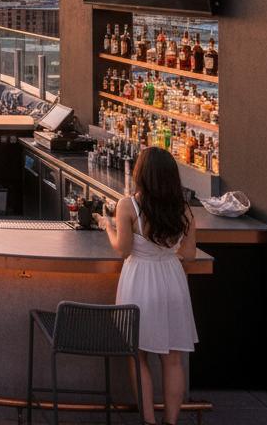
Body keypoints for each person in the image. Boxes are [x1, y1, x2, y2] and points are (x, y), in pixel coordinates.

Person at [96, 148, 198, 425]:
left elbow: (123, 249)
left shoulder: (128, 206)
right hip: (173, 281)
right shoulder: (185, 210)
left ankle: (149, 420)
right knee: (173, 358)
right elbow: (189, 255)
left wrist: (107, 225)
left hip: (140, 280)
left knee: (138, 356)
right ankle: (171, 421)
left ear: (141, 174)